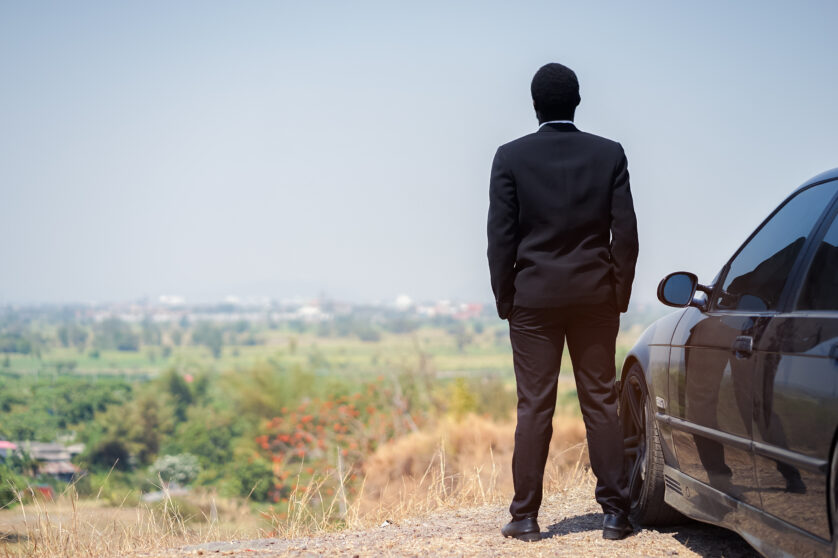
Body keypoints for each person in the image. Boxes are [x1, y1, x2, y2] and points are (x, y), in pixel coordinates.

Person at [487, 62, 639, 541]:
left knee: (534, 406)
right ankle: (615, 515)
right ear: (577, 101)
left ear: (535, 105)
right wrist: (618, 293)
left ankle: (525, 518)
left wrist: (506, 298)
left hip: (533, 300)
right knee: (601, 402)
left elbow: (500, 239)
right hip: (595, 296)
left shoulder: (510, 157)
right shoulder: (608, 153)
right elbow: (627, 235)